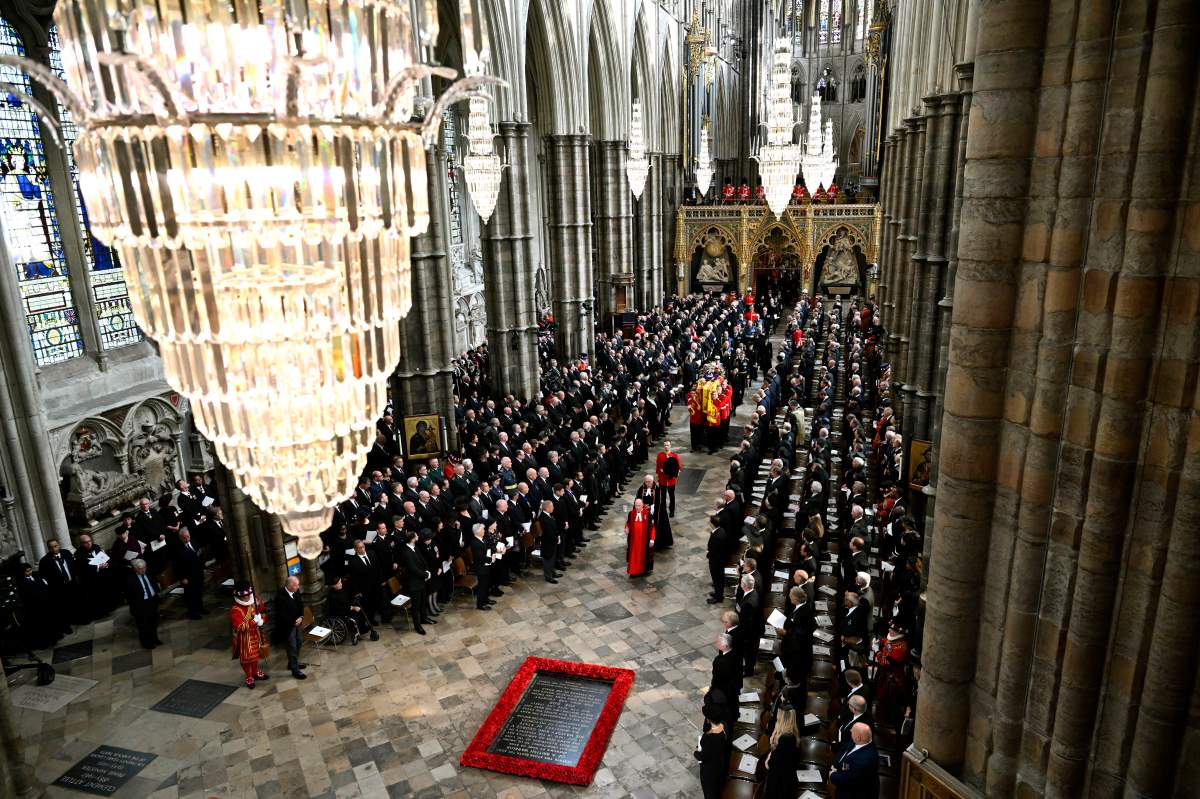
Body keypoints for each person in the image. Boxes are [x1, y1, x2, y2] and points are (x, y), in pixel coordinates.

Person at [230, 581, 269, 688]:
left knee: (256, 655)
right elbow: (239, 627)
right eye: (244, 596)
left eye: (247, 595)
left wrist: (262, 619)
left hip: (256, 633)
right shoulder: (235, 610)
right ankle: (249, 676)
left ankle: (255, 672)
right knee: (247, 658)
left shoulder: (255, 601)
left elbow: (264, 612)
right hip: (245, 637)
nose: (246, 598)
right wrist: (253, 621)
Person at [39, 538, 80, 634]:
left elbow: (73, 566)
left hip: (71, 583)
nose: (54, 549)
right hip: (59, 588)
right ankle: (67, 626)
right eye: (51, 547)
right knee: (63, 607)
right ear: (48, 548)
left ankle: (77, 619)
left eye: (55, 546)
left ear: (59, 545)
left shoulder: (66, 553)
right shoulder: (44, 561)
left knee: (74, 602)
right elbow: (44, 577)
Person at [829, 722, 879, 798]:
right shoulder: (859, 741)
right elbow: (843, 751)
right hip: (845, 778)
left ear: (859, 737)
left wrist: (832, 774)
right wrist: (835, 764)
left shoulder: (863, 761)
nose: (850, 730)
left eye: (853, 731)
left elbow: (847, 779)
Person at [272, 576, 307, 680]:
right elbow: (281, 615)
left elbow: (301, 605)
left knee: (299, 641)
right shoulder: (280, 597)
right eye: (296, 585)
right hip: (287, 627)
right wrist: (293, 622)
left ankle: (292, 663)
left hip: (297, 623)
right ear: (290, 586)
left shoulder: (296, 591)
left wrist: (301, 617)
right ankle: (295, 670)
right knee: (292, 646)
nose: (298, 587)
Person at [326, 574, 377, 643]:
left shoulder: (341, 590)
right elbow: (339, 607)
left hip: (346, 608)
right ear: (333, 585)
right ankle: (360, 629)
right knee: (356, 614)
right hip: (340, 613)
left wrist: (355, 598)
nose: (341, 584)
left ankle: (363, 628)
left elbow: (347, 599)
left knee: (361, 609)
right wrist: (352, 608)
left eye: (341, 582)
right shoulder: (332, 596)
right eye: (339, 583)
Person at [397, 529, 431, 634]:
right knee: (415, 606)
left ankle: (423, 618)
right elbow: (413, 569)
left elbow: (422, 560)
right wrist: (426, 574)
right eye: (416, 535)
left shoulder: (415, 547)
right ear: (412, 538)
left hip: (421, 580)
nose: (418, 537)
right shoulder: (406, 552)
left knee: (423, 601)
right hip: (414, 583)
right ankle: (417, 626)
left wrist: (427, 570)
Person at [124, 559, 162, 650]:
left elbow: (154, 584)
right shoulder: (130, 580)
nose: (143, 570)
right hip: (141, 604)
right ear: (135, 569)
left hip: (152, 601)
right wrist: (134, 609)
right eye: (140, 569)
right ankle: (146, 643)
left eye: (144, 568)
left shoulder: (148, 573)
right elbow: (129, 596)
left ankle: (155, 639)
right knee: (144, 625)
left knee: (154, 622)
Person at [763, 708, 800, 799]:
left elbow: (769, 765)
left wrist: (772, 745)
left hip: (779, 786)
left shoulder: (785, 739)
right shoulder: (793, 735)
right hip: (787, 780)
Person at [694, 707, 730, 799]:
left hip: (710, 770)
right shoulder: (725, 725)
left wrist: (695, 753)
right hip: (720, 762)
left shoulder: (708, 738)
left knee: (710, 792)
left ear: (708, 720)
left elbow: (702, 756)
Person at [173, 529, 206, 619]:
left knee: (199, 591)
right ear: (180, 538)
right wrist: (182, 578)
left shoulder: (194, 542)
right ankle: (193, 612)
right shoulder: (177, 549)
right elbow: (177, 566)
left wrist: (202, 567)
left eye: (188, 536)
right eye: (185, 538)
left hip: (198, 572)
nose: (187, 539)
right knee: (190, 595)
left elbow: (200, 553)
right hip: (188, 576)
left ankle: (200, 608)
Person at [624, 497, 655, 577]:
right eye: (636, 505)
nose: (637, 507)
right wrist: (627, 528)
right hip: (634, 541)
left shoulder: (648, 514)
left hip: (644, 541)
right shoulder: (631, 513)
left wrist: (652, 539)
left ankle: (643, 570)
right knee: (634, 556)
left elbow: (652, 528)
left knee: (644, 556)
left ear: (642, 505)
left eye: (639, 505)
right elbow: (628, 523)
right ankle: (634, 571)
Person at [468, 523, 494, 610]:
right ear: (478, 531)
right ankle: (480, 604)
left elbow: (487, 548)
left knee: (486, 584)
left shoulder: (482, 539)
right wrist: (490, 559)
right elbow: (480, 557)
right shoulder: (475, 543)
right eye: (483, 529)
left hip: (485, 566)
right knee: (482, 586)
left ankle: (485, 599)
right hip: (481, 568)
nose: (484, 531)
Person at [536, 499, 561, 584]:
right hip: (547, 542)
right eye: (552, 506)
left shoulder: (549, 515)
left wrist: (558, 536)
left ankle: (552, 572)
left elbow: (554, 527)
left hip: (552, 541)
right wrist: (556, 538)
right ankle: (548, 576)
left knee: (552, 558)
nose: (553, 508)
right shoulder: (543, 518)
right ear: (547, 508)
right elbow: (548, 532)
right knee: (548, 559)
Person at [705, 518, 729, 604]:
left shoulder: (717, 536)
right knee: (718, 579)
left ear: (712, 524)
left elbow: (714, 551)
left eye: (710, 522)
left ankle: (718, 597)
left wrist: (708, 554)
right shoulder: (720, 530)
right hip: (719, 560)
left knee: (717, 579)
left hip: (716, 562)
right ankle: (717, 593)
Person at [654, 441, 681, 517]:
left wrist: (675, 474)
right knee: (663, 496)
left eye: (668, 445)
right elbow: (657, 467)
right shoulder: (660, 455)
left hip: (671, 480)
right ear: (663, 446)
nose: (666, 446)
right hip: (662, 480)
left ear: (670, 446)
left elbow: (679, 467)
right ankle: (663, 510)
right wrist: (658, 478)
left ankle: (672, 511)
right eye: (665, 445)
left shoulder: (675, 455)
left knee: (672, 496)